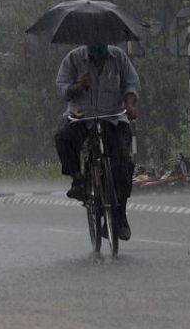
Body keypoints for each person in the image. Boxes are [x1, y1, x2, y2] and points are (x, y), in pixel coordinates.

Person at [54, 43, 139, 241]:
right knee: (62, 137)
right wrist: (78, 87)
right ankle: (78, 180)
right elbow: (62, 88)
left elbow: (131, 84)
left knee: (124, 164)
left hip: (113, 118)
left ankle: (120, 217)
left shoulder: (118, 57)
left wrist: (129, 104)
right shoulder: (73, 59)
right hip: (81, 117)